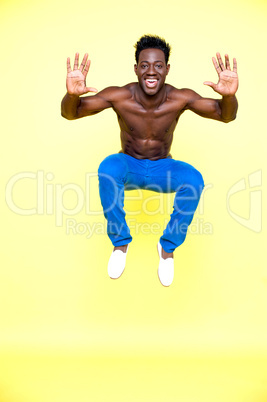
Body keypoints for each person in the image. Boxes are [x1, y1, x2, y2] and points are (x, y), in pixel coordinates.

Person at [61, 35, 238, 287]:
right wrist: (71, 95)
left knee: (194, 180)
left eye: (157, 65)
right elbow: (71, 113)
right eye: (144, 65)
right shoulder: (119, 96)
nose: (151, 71)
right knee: (108, 168)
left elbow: (225, 116)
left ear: (167, 69)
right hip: (129, 165)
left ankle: (166, 249)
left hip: (162, 168)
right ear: (136, 69)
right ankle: (120, 244)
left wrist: (229, 96)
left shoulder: (180, 98)